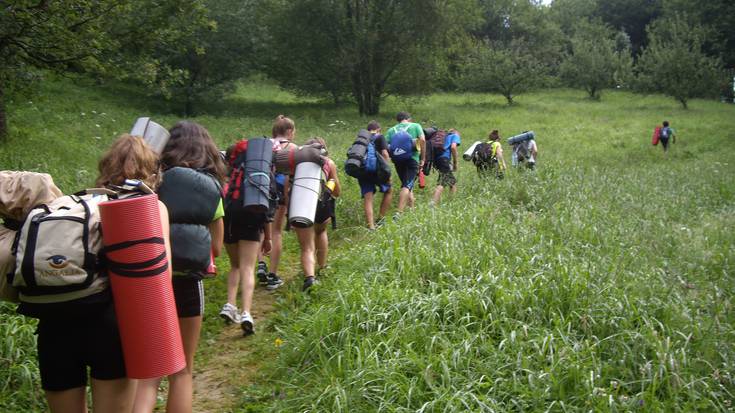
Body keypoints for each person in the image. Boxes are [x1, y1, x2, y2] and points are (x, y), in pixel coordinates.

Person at [19, 135, 168, 413]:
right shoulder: (147, 207)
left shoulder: (76, 202)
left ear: (105, 166)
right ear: (151, 170)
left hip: (55, 325)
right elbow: (161, 272)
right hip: (110, 325)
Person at [134, 121, 225, 413]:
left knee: (148, 375)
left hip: (147, 281)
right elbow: (217, 249)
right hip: (187, 280)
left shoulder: (150, 179)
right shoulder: (211, 188)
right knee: (182, 370)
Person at [219, 139, 273, 336]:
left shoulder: (229, 176)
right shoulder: (259, 174)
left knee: (235, 266)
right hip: (251, 221)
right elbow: (267, 209)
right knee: (248, 268)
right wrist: (268, 238)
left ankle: (230, 304)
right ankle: (247, 313)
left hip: (229, 221)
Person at [292, 138, 341, 291]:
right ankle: (322, 267)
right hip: (322, 205)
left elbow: (289, 187)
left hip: (301, 204)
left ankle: (309, 278)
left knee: (306, 246)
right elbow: (337, 192)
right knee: (321, 232)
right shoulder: (329, 163)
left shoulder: (297, 164)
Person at [262, 115, 297, 290]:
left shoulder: (264, 145)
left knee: (261, 229)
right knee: (276, 232)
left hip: (261, 190)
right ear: (289, 131)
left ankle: (260, 263)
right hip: (280, 193)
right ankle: (272, 275)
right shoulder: (292, 147)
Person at [385, 112, 425, 213]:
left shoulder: (391, 130)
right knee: (407, 185)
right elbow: (423, 140)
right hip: (412, 160)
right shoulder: (415, 126)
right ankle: (399, 212)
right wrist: (423, 158)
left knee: (407, 184)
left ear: (397, 120)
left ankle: (411, 210)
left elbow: (385, 146)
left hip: (398, 161)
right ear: (409, 119)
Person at [358, 120, 392, 229]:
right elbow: (385, 154)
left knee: (368, 198)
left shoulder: (361, 139)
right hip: (377, 171)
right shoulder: (380, 137)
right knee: (389, 190)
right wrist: (388, 173)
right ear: (378, 129)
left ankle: (371, 226)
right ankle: (381, 219)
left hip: (362, 170)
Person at [431, 128, 461, 205]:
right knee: (442, 183)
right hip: (444, 160)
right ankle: (432, 203)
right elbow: (453, 147)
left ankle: (451, 202)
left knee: (452, 183)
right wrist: (455, 163)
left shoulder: (445, 137)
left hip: (437, 160)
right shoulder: (455, 135)